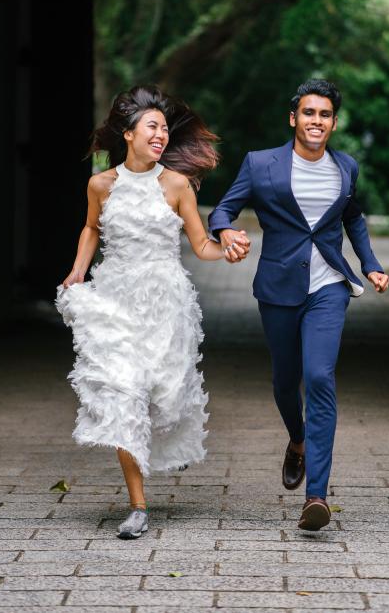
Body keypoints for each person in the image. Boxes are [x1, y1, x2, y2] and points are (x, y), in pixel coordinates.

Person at [56, 85, 249, 539]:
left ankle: (168, 437)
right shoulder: (101, 184)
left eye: (164, 128)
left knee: (166, 395)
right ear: (128, 134)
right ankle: (138, 506)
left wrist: (230, 249)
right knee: (124, 395)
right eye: (152, 127)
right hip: (115, 300)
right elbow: (90, 229)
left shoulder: (177, 185)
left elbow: (201, 246)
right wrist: (77, 272)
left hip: (166, 303)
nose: (161, 134)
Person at [209, 79, 389, 531]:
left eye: (325, 115)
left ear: (333, 122)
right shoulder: (260, 163)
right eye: (308, 113)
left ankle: (317, 497)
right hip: (278, 287)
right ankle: (297, 440)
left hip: (329, 284)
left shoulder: (345, 166)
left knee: (319, 376)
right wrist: (226, 232)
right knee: (285, 380)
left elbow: (353, 218)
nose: (316, 121)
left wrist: (369, 264)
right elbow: (222, 211)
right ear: (294, 118)